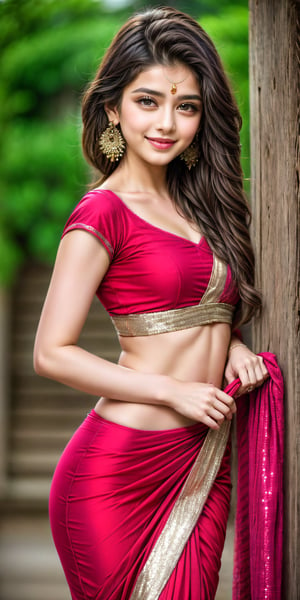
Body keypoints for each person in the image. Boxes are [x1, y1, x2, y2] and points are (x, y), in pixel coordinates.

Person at [33, 7, 269, 600]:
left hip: (200, 464)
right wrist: (174, 390)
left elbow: (193, 304)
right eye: (148, 101)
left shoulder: (206, 207)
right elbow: (51, 353)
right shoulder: (102, 214)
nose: (167, 123)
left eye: (185, 106)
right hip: (115, 476)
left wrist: (231, 341)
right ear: (112, 108)